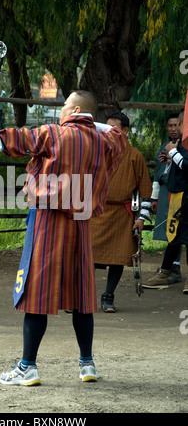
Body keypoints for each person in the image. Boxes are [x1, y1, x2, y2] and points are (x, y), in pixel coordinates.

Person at [0, 90, 127, 385]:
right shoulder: (105, 141)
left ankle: (28, 367)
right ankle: (87, 365)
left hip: (48, 219)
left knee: (37, 293)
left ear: (76, 109)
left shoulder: (53, 134)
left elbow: (10, 139)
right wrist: (90, 121)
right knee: (81, 294)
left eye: (65, 106)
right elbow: (116, 132)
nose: (61, 111)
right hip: (80, 223)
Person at [90, 111, 152, 312]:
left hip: (122, 215)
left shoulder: (135, 156)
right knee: (86, 256)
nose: (109, 133)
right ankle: (82, 296)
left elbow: (145, 191)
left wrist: (141, 218)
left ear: (125, 131)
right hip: (95, 212)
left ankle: (108, 296)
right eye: (106, 129)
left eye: (114, 129)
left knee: (118, 258)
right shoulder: (96, 152)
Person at [142, 111, 188, 294]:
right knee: (174, 236)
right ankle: (165, 273)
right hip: (178, 196)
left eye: (180, 123)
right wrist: (170, 159)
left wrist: (173, 153)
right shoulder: (176, 145)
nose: (177, 127)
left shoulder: (181, 145)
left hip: (186, 196)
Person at [150, 114, 183, 284]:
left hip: (180, 192)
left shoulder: (183, 147)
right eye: (170, 125)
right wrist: (154, 198)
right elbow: (157, 175)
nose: (173, 129)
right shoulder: (165, 146)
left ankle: (174, 267)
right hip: (165, 191)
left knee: (178, 229)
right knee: (169, 230)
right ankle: (169, 267)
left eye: (176, 125)